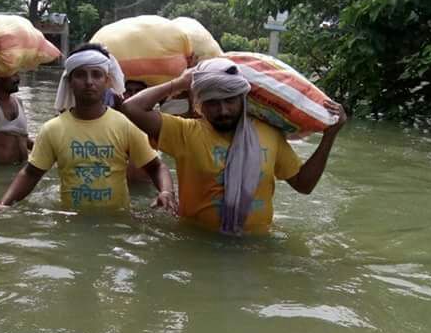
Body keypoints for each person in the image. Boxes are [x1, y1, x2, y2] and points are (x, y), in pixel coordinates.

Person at [119, 57, 347, 235]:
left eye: (230, 100)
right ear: (200, 106)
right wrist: (179, 82)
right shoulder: (185, 132)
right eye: (213, 103)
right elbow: (131, 108)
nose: (223, 111)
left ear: (242, 99)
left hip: (256, 246)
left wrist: (329, 136)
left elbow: (304, 185)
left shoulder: (268, 134)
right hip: (196, 242)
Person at [0, 43, 177, 213]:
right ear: (69, 82)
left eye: (96, 75)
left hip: (116, 222)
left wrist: (166, 192)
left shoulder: (124, 125)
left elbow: (156, 166)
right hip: (69, 221)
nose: (89, 82)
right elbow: (31, 173)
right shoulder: (52, 129)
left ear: (107, 81)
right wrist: (3, 204)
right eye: (81, 75)